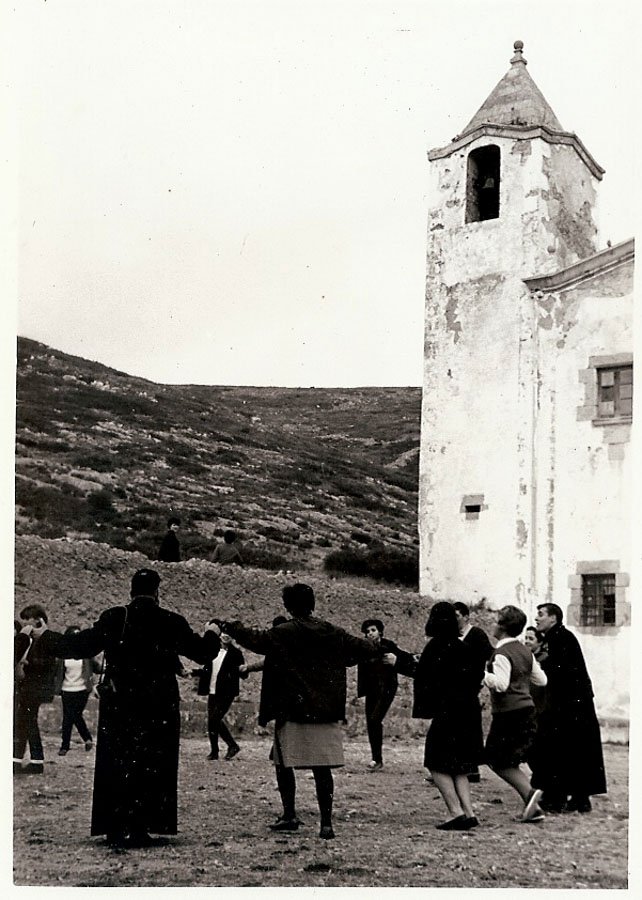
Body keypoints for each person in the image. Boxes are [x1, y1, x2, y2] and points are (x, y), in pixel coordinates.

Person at [49, 568, 216, 847]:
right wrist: (212, 632)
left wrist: (44, 638)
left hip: (120, 703)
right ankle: (142, 826)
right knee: (153, 763)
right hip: (159, 705)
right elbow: (202, 653)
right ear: (157, 592)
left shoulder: (115, 617)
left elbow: (81, 646)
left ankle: (114, 826)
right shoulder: (171, 621)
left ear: (131, 591)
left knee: (117, 760)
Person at [214, 583, 390, 839]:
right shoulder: (332, 631)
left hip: (292, 708)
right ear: (312, 603)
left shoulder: (283, 632)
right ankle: (326, 823)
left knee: (283, 764)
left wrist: (230, 626)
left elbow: (256, 640)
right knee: (322, 769)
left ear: (288, 606)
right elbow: (364, 648)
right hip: (325, 710)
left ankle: (289, 814)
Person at [529, 603, 607, 814]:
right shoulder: (558, 637)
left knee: (562, 750)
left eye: (541, 614)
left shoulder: (559, 639)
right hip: (573, 705)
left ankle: (558, 798)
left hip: (569, 706)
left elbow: (559, 674)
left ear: (553, 618)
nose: (537, 618)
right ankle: (578, 798)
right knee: (575, 750)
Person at [412, 601, 483, 830]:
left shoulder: (435, 646)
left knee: (435, 761)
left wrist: (398, 663)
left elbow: (424, 676)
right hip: (468, 710)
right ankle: (469, 812)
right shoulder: (463, 646)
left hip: (448, 711)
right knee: (459, 765)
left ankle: (455, 812)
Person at [483, 606, 547, 823]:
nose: (493, 625)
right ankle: (533, 807)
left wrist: (482, 675)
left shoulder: (501, 653)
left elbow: (501, 685)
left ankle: (530, 793)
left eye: (496, 621)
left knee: (496, 760)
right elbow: (541, 680)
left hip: (508, 713)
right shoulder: (525, 651)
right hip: (527, 710)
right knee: (507, 759)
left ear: (502, 627)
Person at [357, 618, 415, 771]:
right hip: (371, 689)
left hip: (387, 688)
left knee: (375, 718)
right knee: (371, 722)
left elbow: (402, 656)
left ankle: (377, 760)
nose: (370, 633)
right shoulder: (364, 647)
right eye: (367, 631)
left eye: (373, 630)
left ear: (380, 632)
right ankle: (376, 759)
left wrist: (405, 658)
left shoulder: (388, 645)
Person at [14, 604, 59, 775]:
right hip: (28, 687)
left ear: (39, 621)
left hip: (35, 688)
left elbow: (48, 664)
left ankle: (27, 760)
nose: (25, 624)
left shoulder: (45, 640)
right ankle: (31, 760)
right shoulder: (29, 639)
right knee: (27, 722)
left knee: (26, 722)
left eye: (28, 620)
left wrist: (28, 663)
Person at [452, 601, 493, 783]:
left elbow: (489, 655)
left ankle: (472, 768)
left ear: (466, 617)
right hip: (454, 688)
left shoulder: (477, 635)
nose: (453, 620)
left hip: (469, 688)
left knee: (470, 728)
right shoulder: (451, 636)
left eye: (457, 616)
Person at [193, 623, 246, 760]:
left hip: (227, 692)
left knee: (214, 718)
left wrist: (243, 670)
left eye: (229, 634)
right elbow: (206, 670)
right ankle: (214, 751)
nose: (226, 636)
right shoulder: (212, 651)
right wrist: (193, 672)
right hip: (212, 690)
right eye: (223, 633)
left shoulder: (236, 653)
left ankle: (232, 745)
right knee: (212, 721)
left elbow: (243, 673)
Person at [55, 626, 102, 756]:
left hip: (82, 690)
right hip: (67, 689)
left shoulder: (86, 654)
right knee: (70, 717)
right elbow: (57, 671)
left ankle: (66, 745)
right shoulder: (63, 655)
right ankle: (84, 740)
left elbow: (97, 668)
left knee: (73, 715)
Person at [523, 625, 547, 714]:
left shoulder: (545, 659)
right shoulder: (526, 657)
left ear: (540, 642)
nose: (527, 641)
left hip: (540, 704)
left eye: (531, 639)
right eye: (526, 638)